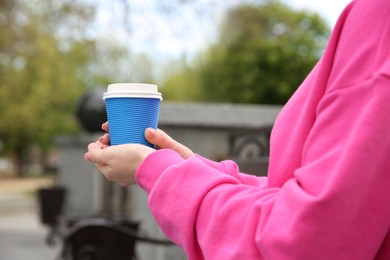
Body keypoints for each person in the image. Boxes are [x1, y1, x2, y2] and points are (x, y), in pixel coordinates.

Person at [84, 0, 390, 258]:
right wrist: (186, 166)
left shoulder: (379, 23)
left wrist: (158, 171)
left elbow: (305, 242)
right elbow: (300, 197)